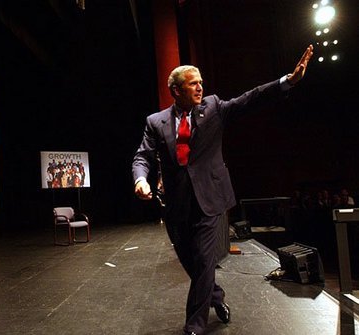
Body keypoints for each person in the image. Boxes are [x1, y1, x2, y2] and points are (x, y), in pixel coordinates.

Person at [132, 45, 313, 335]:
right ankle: (216, 296)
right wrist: (140, 179)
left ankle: (194, 326)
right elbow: (143, 156)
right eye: (193, 83)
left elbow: (250, 98)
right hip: (177, 205)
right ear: (176, 90)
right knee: (192, 264)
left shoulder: (214, 107)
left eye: (201, 82)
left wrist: (288, 81)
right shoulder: (156, 122)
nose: (200, 87)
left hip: (211, 200)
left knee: (205, 259)